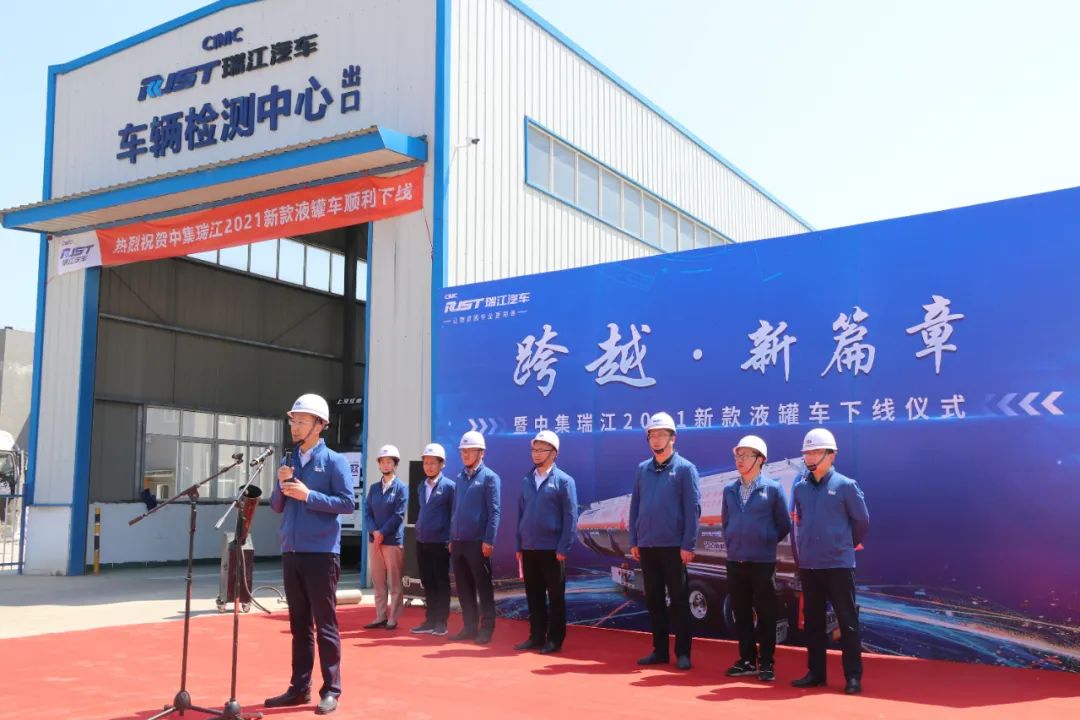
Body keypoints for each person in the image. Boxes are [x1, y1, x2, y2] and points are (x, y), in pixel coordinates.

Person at [265, 393, 353, 716]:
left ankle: (331, 689)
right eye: (293, 420)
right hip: (291, 551)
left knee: (325, 624)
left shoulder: (334, 461)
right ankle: (299, 687)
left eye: (302, 421)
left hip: (321, 554)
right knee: (299, 625)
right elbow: (276, 506)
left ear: (320, 425)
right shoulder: (288, 461)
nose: (295, 426)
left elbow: (347, 503)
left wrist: (309, 495)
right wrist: (280, 484)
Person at [790, 428, 870, 695]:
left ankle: (853, 676)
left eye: (816, 452)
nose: (810, 457)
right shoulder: (800, 488)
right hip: (810, 565)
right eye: (807, 453)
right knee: (812, 621)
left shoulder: (846, 485)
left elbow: (862, 521)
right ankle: (816, 673)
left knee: (847, 620)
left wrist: (844, 544)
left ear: (832, 455)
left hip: (838, 566)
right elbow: (800, 520)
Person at [629, 412, 701, 670]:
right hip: (647, 545)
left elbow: (693, 510)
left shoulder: (685, 469)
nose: (656, 439)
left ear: (673, 438)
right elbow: (635, 506)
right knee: (654, 600)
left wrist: (688, 544)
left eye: (661, 434)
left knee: (679, 600)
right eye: (652, 435)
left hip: (673, 547)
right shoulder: (642, 469)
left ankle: (683, 652)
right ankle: (659, 651)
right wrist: (634, 539)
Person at [720, 435, 791, 682]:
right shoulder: (729, 490)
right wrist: (732, 541)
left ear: (760, 459)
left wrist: (766, 540)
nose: (740, 460)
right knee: (741, 612)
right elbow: (726, 522)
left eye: (746, 455)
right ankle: (747, 660)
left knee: (766, 613)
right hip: (735, 561)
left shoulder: (772, 489)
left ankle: (767, 662)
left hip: (762, 563)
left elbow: (784, 524)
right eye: (737, 455)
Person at [514, 430, 578, 654]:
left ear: (554, 453)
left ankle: (555, 639)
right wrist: (519, 544)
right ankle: (536, 636)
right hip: (529, 548)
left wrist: (563, 547)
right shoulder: (527, 480)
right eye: (534, 449)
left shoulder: (564, 481)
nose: (536, 454)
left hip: (552, 550)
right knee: (534, 595)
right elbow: (521, 513)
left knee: (556, 597)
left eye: (542, 450)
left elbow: (571, 516)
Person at [449, 430, 501, 644]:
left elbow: (494, 511)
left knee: (483, 587)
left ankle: (486, 628)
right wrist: (451, 537)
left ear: (481, 452)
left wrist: (489, 540)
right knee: (463, 587)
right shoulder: (460, 477)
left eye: (470, 451)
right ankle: (469, 627)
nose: (465, 454)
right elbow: (455, 510)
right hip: (458, 542)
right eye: (463, 451)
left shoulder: (490, 478)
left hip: (478, 543)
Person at [411, 442, 455, 636]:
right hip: (422, 541)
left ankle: (441, 622)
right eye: (426, 463)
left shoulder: (449, 487)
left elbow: (454, 515)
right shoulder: (421, 486)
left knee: (440, 582)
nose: (428, 467)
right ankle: (429, 620)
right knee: (427, 581)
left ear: (441, 464)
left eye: (432, 463)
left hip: (440, 542)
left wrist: (451, 539)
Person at [362, 444, 408, 631]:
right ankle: (380, 616)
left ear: (395, 464)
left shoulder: (401, 488)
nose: (386, 465)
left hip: (392, 542)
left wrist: (382, 532)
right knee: (379, 581)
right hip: (375, 542)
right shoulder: (374, 488)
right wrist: (374, 531)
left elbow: (398, 515)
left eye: (389, 462)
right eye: (383, 462)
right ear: (379, 464)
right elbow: (367, 512)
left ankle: (393, 618)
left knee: (394, 582)